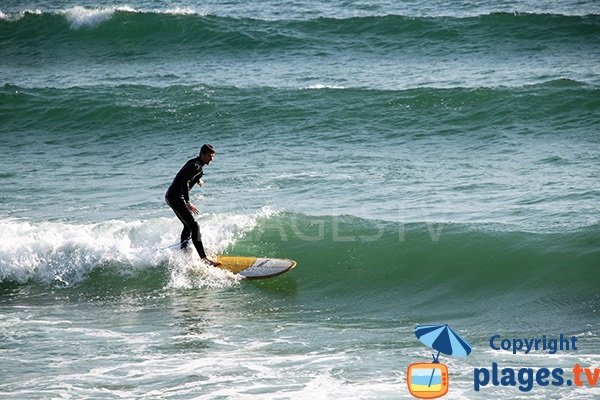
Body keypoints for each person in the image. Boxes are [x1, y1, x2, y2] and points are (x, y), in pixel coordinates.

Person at [165, 144, 220, 266]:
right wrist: (188, 202)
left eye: (213, 156)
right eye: (210, 156)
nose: (212, 159)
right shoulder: (197, 167)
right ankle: (204, 259)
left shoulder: (193, 162)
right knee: (194, 226)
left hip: (171, 196)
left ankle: (183, 255)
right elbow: (184, 182)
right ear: (203, 154)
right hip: (177, 198)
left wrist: (197, 180)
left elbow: (183, 175)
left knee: (188, 226)